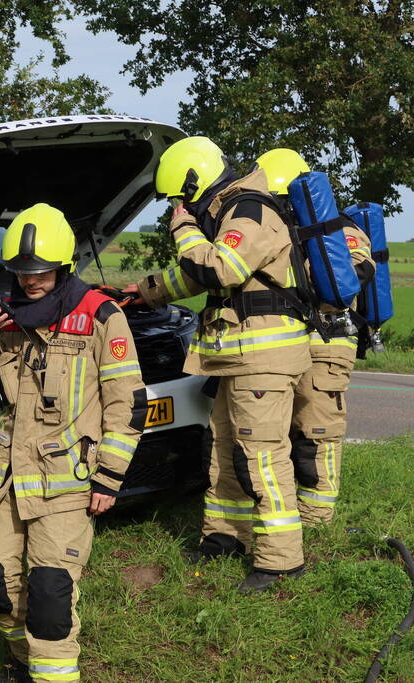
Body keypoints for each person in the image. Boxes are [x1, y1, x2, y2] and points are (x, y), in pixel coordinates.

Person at [0, 203, 145, 683]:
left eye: (40, 272)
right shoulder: (4, 316)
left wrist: (109, 477)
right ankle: (26, 661)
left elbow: (127, 404)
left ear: (63, 267)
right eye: (22, 273)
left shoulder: (100, 315)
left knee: (49, 595)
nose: (29, 281)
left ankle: (51, 675)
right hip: (2, 477)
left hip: (65, 480)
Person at [125, 136, 311, 594]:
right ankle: (224, 539)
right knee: (224, 451)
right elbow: (195, 276)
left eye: (181, 198)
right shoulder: (231, 212)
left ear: (194, 181)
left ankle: (281, 561)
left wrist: (184, 228)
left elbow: (220, 268)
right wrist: (144, 292)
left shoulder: (250, 210)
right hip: (238, 360)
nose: (180, 208)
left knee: (261, 458)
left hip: (262, 360)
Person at [253, 149, 376, 525]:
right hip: (294, 343)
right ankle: (292, 511)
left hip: (326, 344)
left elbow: (355, 273)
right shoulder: (325, 228)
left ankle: (317, 519)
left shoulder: (332, 229)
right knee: (293, 433)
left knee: (315, 435)